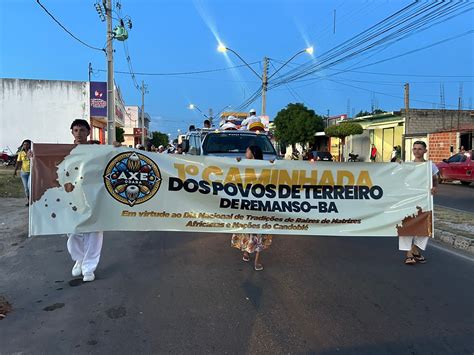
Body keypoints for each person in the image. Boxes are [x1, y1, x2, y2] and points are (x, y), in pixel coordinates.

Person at [67, 119, 104, 282]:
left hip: (93, 195)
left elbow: (114, 157)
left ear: (88, 132)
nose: (79, 133)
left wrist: (117, 147)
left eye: (82, 130)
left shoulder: (97, 150)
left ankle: (89, 267)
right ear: (72, 132)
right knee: (73, 229)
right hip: (71, 195)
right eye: (75, 130)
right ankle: (79, 259)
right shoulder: (64, 151)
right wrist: (34, 157)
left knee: (94, 230)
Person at [231, 145, 272, 271]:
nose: (245, 152)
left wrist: (272, 165)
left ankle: (256, 260)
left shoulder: (263, 165)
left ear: (253, 153)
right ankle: (247, 253)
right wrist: (237, 163)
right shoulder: (243, 164)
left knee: (257, 231)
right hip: (248, 203)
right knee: (249, 229)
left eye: (247, 150)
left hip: (258, 203)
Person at [399, 140, 438, 265]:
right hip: (409, 199)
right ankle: (408, 253)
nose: (417, 151)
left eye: (420, 149)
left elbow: (435, 179)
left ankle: (415, 249)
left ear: (425, 151)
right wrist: (396, 165)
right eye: (414, 149)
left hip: (425, 200)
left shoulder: (430, 166)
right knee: (407, 224)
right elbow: (398, 177)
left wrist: (435, 188)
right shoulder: (408, 165)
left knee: (425, 225)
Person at [13, 139, 32, 206]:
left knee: (30, 187)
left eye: (27, 144)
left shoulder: (32, 152)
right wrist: (15, 171)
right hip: (24, 173)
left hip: (31, 173)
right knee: (26, 188)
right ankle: (29, 201)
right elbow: (18, 162)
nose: (25, 146)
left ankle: (33, 200)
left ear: (30, 145)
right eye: (24, 144)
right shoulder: (21, 153)